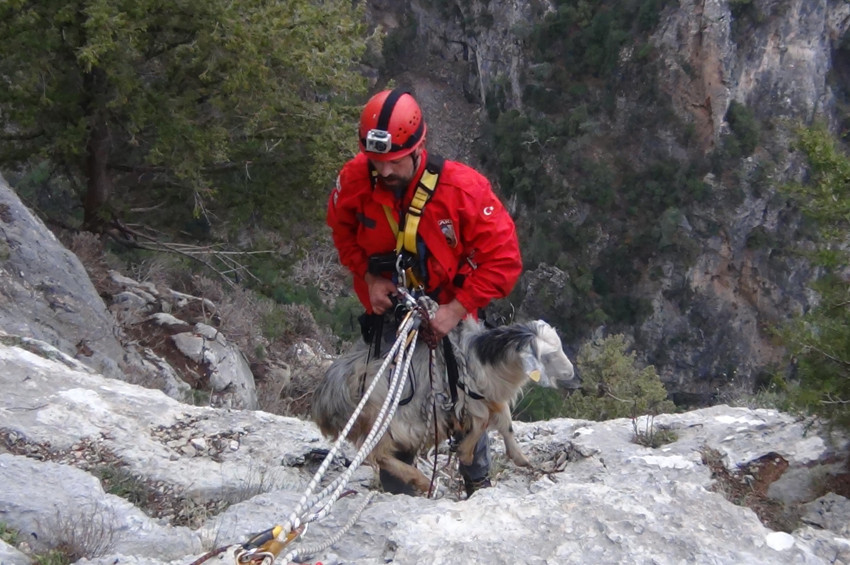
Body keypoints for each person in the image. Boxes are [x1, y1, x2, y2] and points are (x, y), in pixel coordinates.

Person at [326, 88, 522, 496]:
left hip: (450, 307)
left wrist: (457, 308)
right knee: (393, 402)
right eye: (375, 160)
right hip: (391, 314)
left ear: (418, 148)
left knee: (467, 393)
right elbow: (343, 234)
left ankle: (478, 482)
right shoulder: (355, 180)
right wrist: (369, 276)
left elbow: (503, 259)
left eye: (393, 161)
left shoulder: (462, 191)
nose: (383, 170)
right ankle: (398, 488)